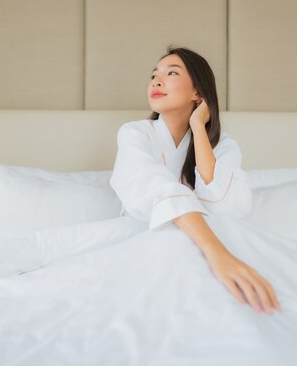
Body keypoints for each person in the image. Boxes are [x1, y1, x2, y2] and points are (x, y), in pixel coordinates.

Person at [110, 46, 281, 315]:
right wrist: (217, 254)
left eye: (172, 73)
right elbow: (157, 187)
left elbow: (226, 207)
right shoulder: (134, 134)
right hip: (148, 246)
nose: (156, 80)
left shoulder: (223, 146)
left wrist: (199, 127)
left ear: (198, 93)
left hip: (204, 247)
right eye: (154, 75)